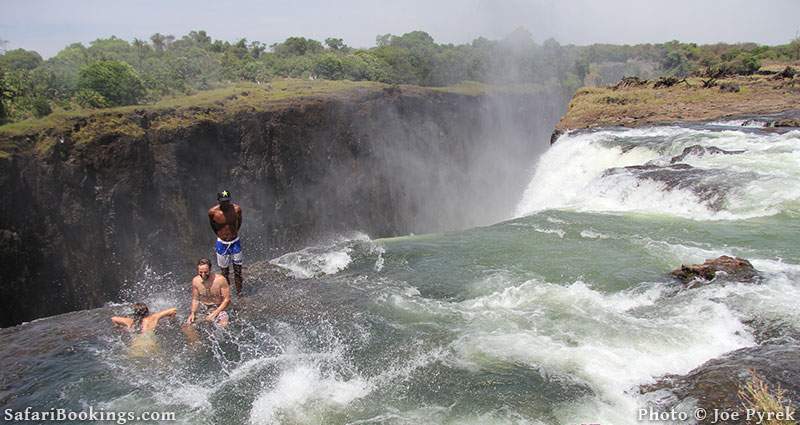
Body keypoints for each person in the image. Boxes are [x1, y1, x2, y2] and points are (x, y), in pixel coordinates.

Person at [209, 190, 244, 295]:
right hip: (222, 243)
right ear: (219, 201)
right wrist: (221, 235)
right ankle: (227, 294)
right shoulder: (212, 212)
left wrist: (234, 233)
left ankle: (240, 292)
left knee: (238, 270)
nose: (225, 203)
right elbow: (213, 226)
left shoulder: (237, 209)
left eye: (227, 201)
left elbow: (239, 223)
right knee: (224, 272)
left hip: (235, 242)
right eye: (223, 201)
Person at [111, 303, 177, 356]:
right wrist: (171, 321)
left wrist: (120, 328)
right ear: (147, 311)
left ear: (135, 313)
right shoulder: (153, 318)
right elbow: (173, 310)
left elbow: (113, 319)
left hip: (136, 347)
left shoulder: (130, 321)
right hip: (151, 345)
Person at [186, 258, 231, 328]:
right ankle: (197, 339)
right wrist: (193, 313)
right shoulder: (195, 281)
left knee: (224, 325)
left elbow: (227, 300)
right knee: (188, 326)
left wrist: (215, 313)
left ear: (210, 269)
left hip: (218, 307)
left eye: (206, 272)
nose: (203, 275)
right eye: (200, 272)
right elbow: (196, 299)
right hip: (204, 308)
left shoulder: (220, 280)